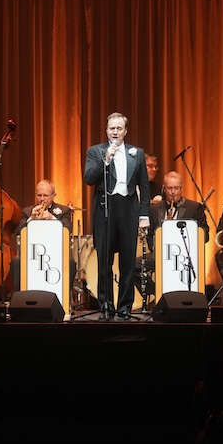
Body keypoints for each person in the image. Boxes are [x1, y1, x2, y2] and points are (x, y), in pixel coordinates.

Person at [84, 112, 150, 320]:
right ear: (106, 130)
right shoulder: (96, 151)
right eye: (112, 128)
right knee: (104, 260)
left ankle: (124, 308)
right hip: (105, 208)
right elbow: (88, 178)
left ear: (125, 131)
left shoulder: (136, 153)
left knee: (127, 263)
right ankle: (106, 305)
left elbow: (144, 186)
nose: (115, 132)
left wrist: (144, 214)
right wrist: (105, 160)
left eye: (119, 128)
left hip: (128, 209)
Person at [136, 171, 209, 296]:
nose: (173, 192)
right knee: (133, 265)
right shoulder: (154, 209)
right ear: (164, 189)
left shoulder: (194, 207)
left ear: (181, 189)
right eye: (170, 188)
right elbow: (150, 234)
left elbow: (205, 235)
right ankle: (157, 292)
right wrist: (154, 247)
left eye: (176, 188)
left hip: (185, 255)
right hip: (159, 255)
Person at [10, 179, 73, 291]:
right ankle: (18, 300)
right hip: (33, 252)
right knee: (16, 262)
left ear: (54, 195)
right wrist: (31, 219)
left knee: (71, 263)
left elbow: (68, 230)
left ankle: (65, 300)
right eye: (39, 195)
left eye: (45, 195)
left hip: (55, 251)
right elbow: (18, 233)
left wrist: (52, 218)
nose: (42, 199)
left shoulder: (64, 210)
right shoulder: (27, 211)